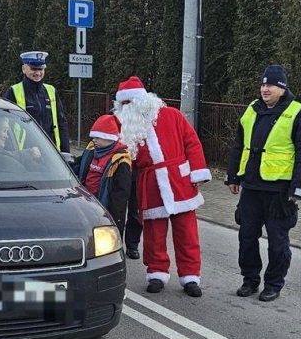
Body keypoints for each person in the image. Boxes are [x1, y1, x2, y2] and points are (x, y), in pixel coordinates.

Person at [225, 64, 301, 302]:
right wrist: (233, 176)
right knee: (246, 237)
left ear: (282, 88)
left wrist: (299, 188)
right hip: (252, 188)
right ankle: (250, 280)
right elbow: (238, 144)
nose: (265, 89)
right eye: (263, 84)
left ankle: (274, 284)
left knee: (277, 243)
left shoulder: (298, 113)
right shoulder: (252, 110)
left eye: (271, 85)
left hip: (279, 191)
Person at [115, 77, 211, 297]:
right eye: (124, 106)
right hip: (150, 183)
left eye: (130, 103)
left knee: (187, 232)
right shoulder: (127, 128)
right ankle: (157, 272)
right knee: (153, 233)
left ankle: (190, 276)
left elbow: (192, 142)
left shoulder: (172, 115)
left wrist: (197, 172)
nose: (127, 109)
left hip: (179, 180)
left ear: (142, 100)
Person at [2, 51, 70, 153]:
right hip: (23, 153)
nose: (38, 73)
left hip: (50, 153)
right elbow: (4, 123)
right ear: (24, 69)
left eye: (41, 69)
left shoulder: (51, 91)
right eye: (33, 69)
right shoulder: (13, 91)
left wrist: (65, 153)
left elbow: (61, 124)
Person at [73, 115, 132, 233]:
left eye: (98, 137)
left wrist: (114, 221)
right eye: (93, 137)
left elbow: (120, 195)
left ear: (109, 138)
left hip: (105, 210)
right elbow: (77, 167)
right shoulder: (91, 150)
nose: (94, 140)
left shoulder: (121, 160)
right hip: (86, 205)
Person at [110, 106, 142, 260]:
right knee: (117, 210)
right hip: (119, 170)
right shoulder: (114, 115)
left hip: (138, 171)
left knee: (136, 212)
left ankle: (133, 245)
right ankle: (116, 245)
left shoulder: (144, 120)